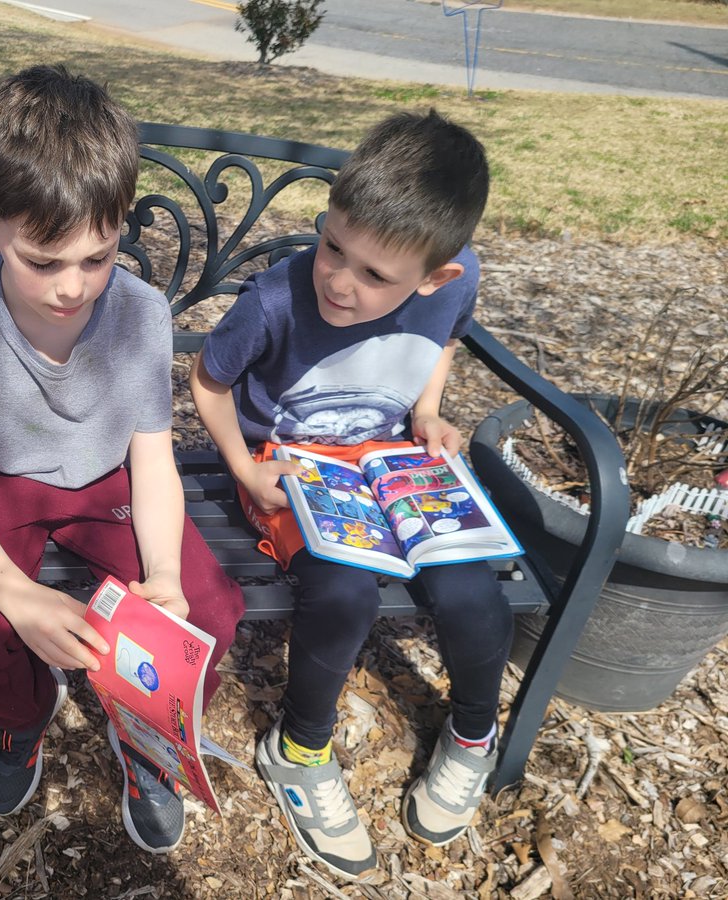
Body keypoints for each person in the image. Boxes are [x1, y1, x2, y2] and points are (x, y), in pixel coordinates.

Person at [0, 65, 244, 854]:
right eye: (44, 262)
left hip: (107, 486)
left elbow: (151, 457)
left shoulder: (140, 313)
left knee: (210, 613)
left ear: (121, 221)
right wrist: (15, 596)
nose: (73, 287)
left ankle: (146, 733)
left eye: (97, 257)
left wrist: (162, 574)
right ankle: (22, 720)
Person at [191, 110, 512, 879]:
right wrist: (243, 469)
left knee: (473, 593)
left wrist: (429, 413)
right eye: (334, 247)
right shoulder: (276, 299)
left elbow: (443, 343)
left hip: (395, 464)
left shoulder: (449, 286)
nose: (340, 280)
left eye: (375, 276)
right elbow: (208, 382)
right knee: (343, 595)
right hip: (287, 467)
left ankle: (473, 734)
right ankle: (299, 749)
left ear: (437, 275)